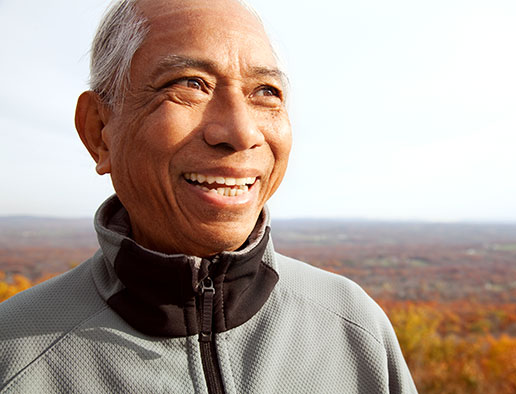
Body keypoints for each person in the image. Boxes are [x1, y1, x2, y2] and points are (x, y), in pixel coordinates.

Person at [0, 0, 418, 392]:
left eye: (266, 91)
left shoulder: (354, 330)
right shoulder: (14, 355)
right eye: (190, 84)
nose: (241, 132)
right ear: (99, 131)